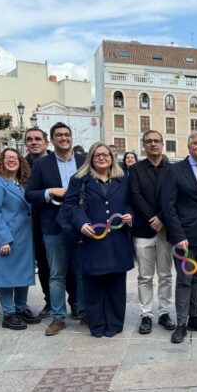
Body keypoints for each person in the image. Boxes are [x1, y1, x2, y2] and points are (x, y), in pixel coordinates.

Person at [61, 143, 134, 337]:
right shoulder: (80, 179)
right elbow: (70, 206)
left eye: (105, 155)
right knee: (93, 287)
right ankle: (97, 324)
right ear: (90, 159)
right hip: (92, 239)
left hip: (117, 240)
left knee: (116, 286)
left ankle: (115, 324)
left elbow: (130, 203)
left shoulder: (122, 179)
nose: (102, 158)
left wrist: (129, 214)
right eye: (97, 155)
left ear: (112, 157)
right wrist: (81, 223)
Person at [25, 122, 87, 336]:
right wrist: (51, 191)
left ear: (71, 137)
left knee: (81, 271)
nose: (63, 138)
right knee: (57, 273)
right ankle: (58, 317)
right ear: (52, 139)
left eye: (66, 134)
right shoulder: (42, 164)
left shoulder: (83, 160)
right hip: (53, 225)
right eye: (59, 135)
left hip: (80, 225)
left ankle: (83, 310)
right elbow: (29, 194)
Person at [161, 131, 197, 344]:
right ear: (189, 146)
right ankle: (181, 323)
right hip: (184, 237)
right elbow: (167, 206)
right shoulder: (175, 171)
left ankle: (195, 317)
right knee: (184, 280)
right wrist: (178, 235)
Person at [0, 149, 40, 330]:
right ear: (1, 161)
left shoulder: (21, 183)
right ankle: (9, 313)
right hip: (6, 238)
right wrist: (3, 239)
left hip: (23, 238)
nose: (11, 161)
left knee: (22, 275)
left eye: (15, 158)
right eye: (7, 158)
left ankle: (21, 308)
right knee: (6, 276)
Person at [129, 130, 175, 334]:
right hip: (143, 230)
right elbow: (135, 196)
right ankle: (146, 314)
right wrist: (152, 218)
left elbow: (175, 198)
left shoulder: (173, 170)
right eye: (149, 141)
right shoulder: (135, 170)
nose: (153, 144)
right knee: (144, 277)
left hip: (166, 230)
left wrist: (163, 218)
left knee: (165, 275)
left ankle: (164, 312)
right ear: (143, 145)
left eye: (157, 141)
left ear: (162, 144)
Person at [24, 127, 53, 318]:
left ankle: (75, 301)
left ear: (46, 142)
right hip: (31, 222)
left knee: (70, 265)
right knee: (43, 264)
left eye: (37, 139)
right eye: (29, 139)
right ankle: (50, 301)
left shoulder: (56, 161)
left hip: (55, 218)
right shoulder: (19, 164)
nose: (34, 142)